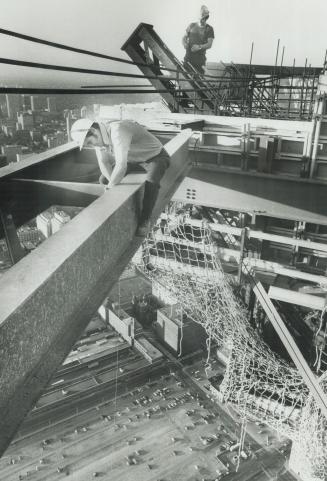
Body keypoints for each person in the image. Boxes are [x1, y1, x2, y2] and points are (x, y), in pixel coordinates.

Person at [70, 118, 170, 236]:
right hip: (134, 160)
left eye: (90, 143)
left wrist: (112, 186)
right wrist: (111, 186)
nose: (92, 146)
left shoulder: (117, 130)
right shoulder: (99, 136)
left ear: (94, 131)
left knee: (151, 182)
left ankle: (145, 220)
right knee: (104, 179)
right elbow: (104, 162)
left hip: (156, 157)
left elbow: (121, 165)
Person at [183, 5, 214, 74]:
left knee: (197, 83)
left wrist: (199, 47)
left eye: (205, 18)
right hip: (188, 60)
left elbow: (210, 44)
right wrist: (184, 43)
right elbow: (184, 37)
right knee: (184, 82)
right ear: (198, 17)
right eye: (202, 18)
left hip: (199, 62)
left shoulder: (209, 29)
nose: (203, 20)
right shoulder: (191, 25)